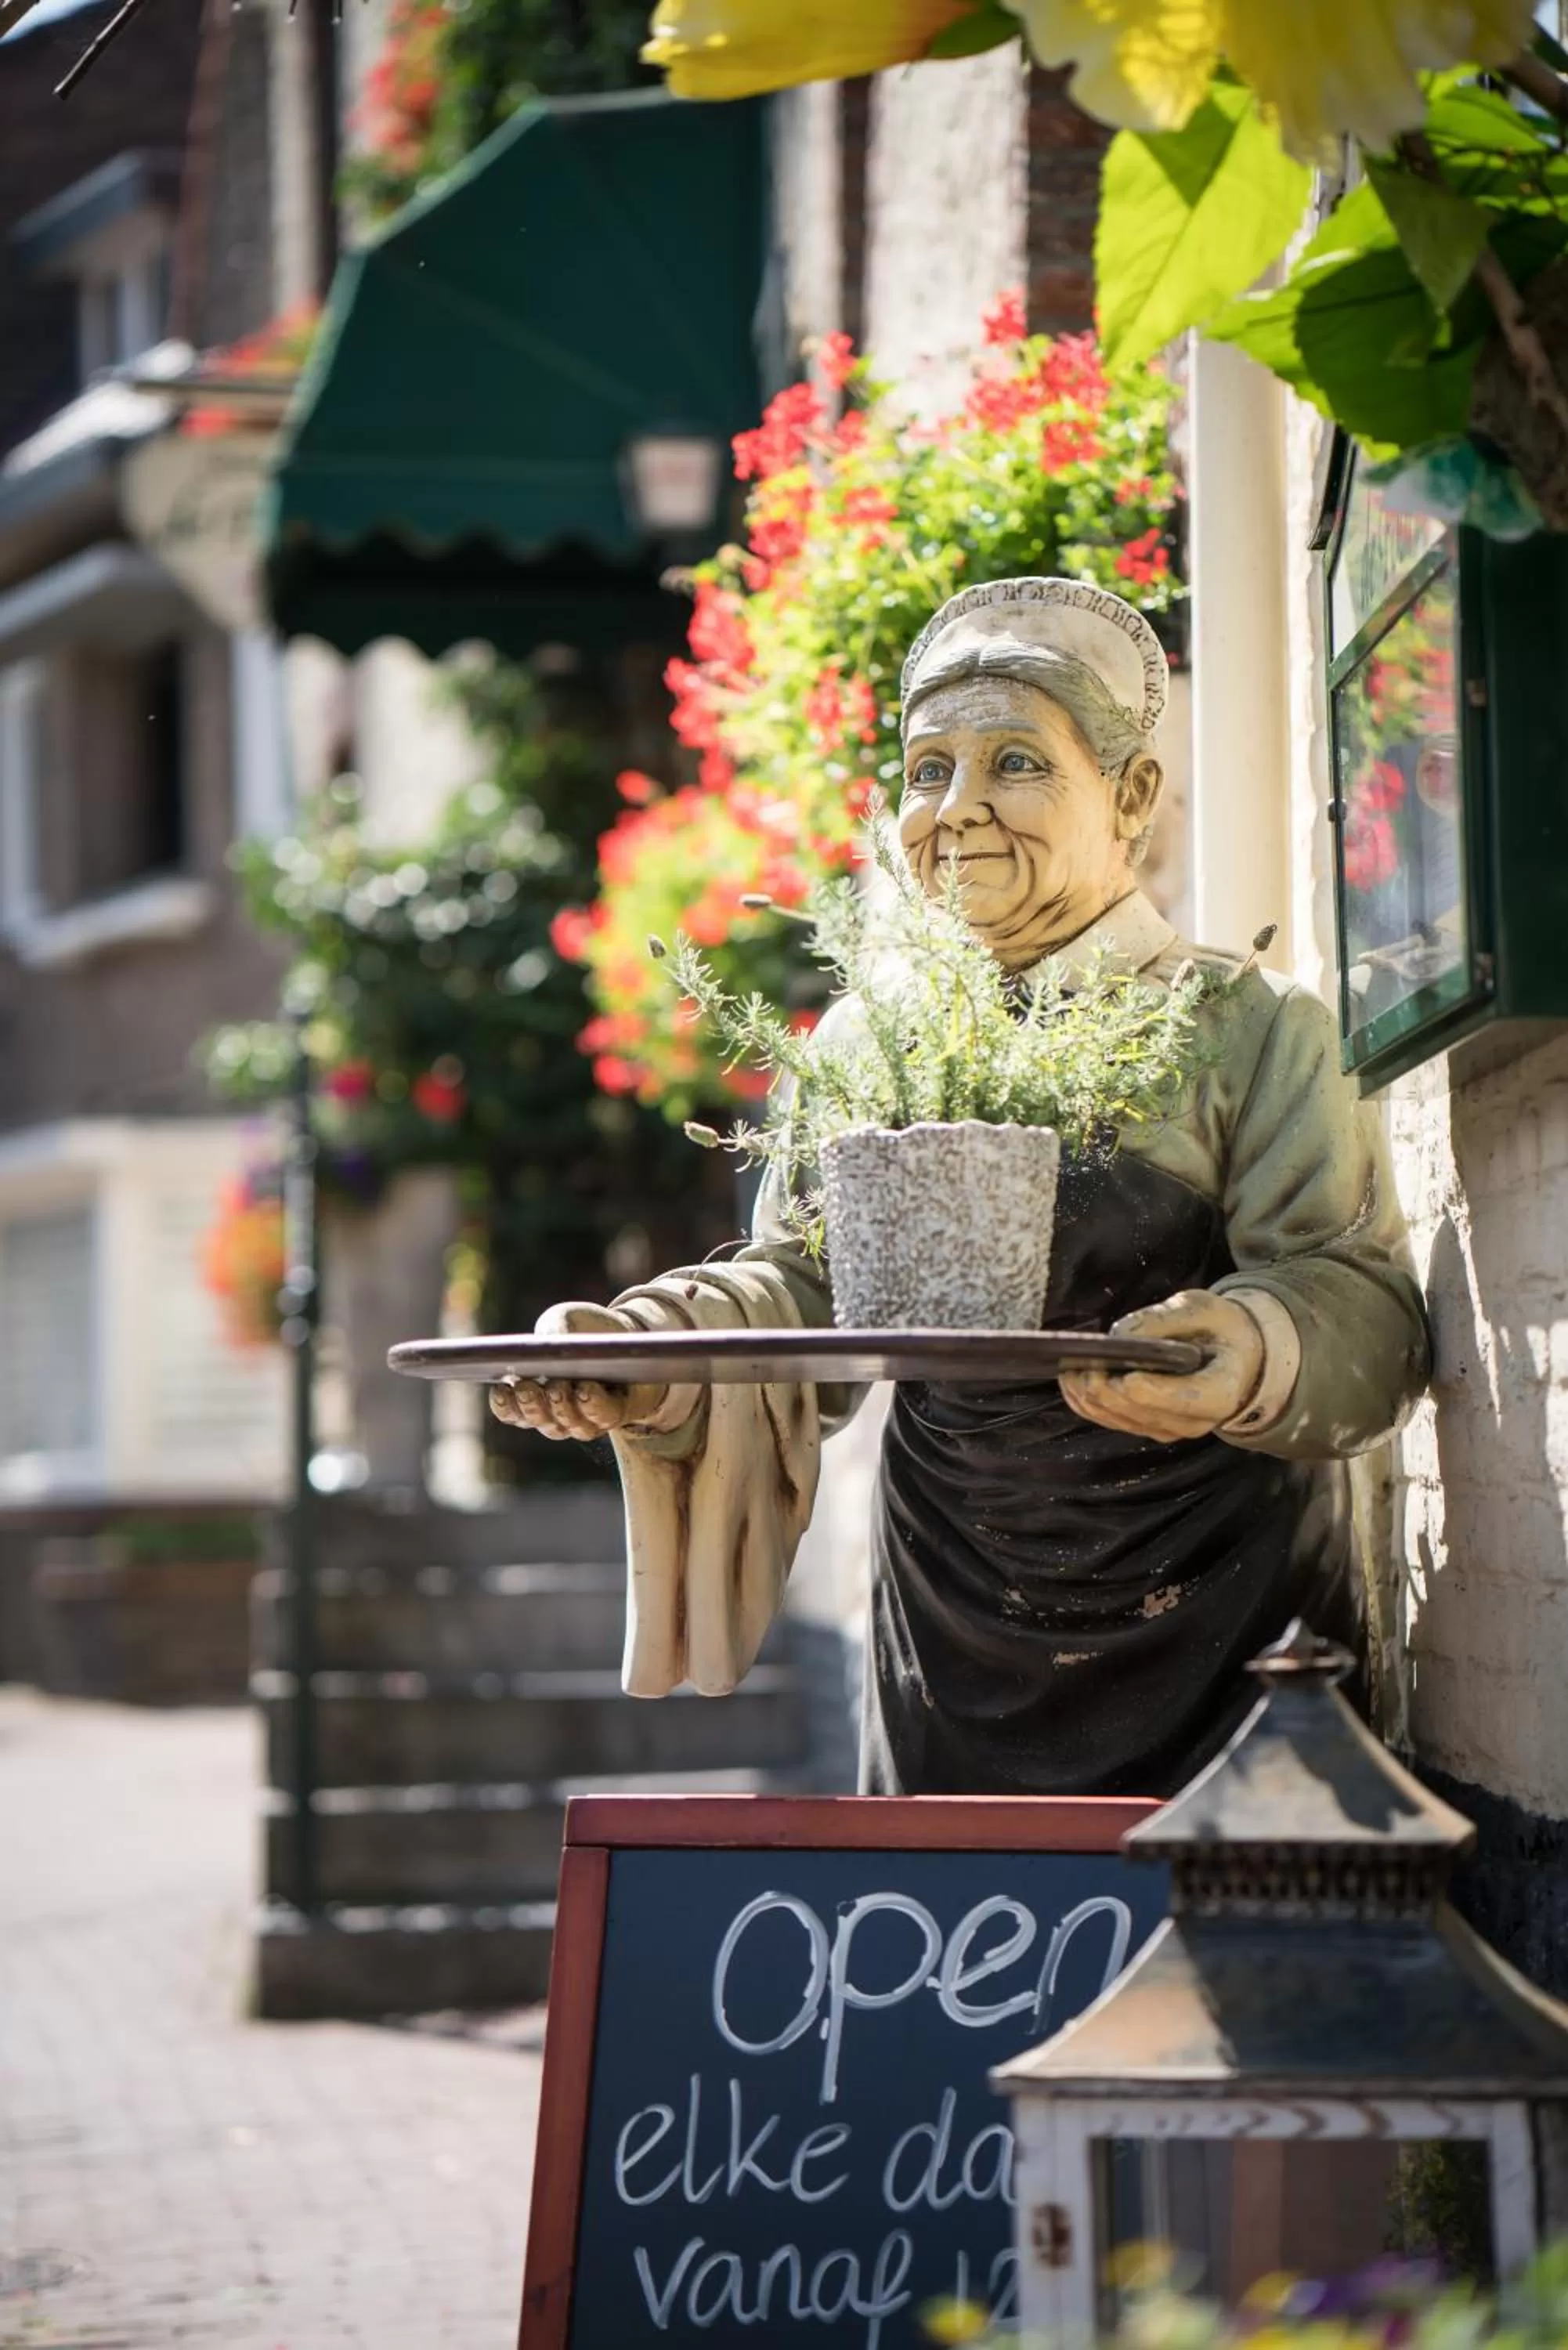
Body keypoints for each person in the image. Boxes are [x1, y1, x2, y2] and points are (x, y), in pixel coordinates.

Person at [493, 577, 1429, 1797]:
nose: (959, 808)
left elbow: (1364, 1302)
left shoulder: (1247, 1031)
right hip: (948, 1614)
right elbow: (801, 1288)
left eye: (1016, 764)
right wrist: (649, 1350)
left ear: (1133, 798)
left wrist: (1250, 1344)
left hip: (1225, 1616)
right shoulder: (857, 1046)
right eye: (926, 771)